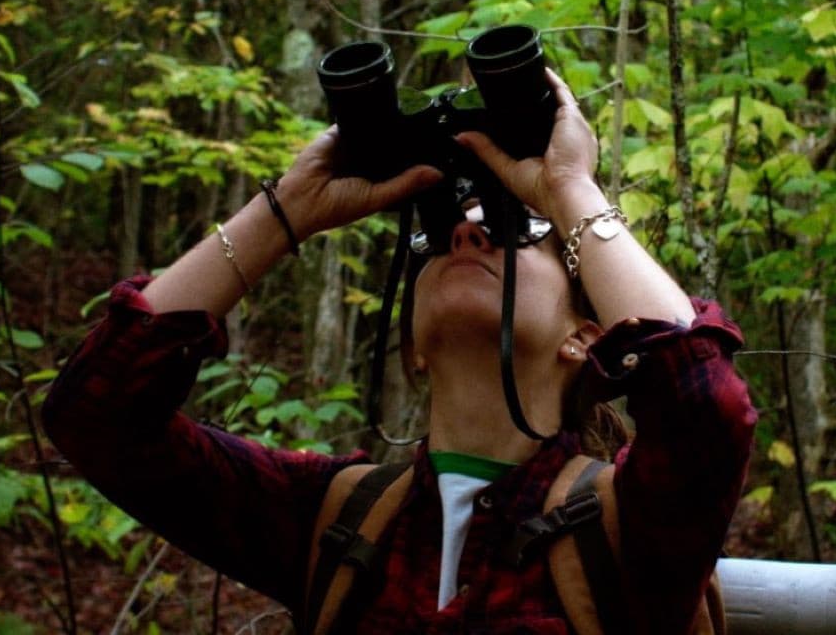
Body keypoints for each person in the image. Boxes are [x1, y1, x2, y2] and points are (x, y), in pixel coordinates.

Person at [42, 70, 756, 634]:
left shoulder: (629, 524)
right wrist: (287, 210)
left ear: (587, 336)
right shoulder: (333, 517)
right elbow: (96, 415)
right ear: (412, 346)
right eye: (440, 236)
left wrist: (570, 191)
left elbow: (704, 405)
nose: (466, 235)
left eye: (515, 233)